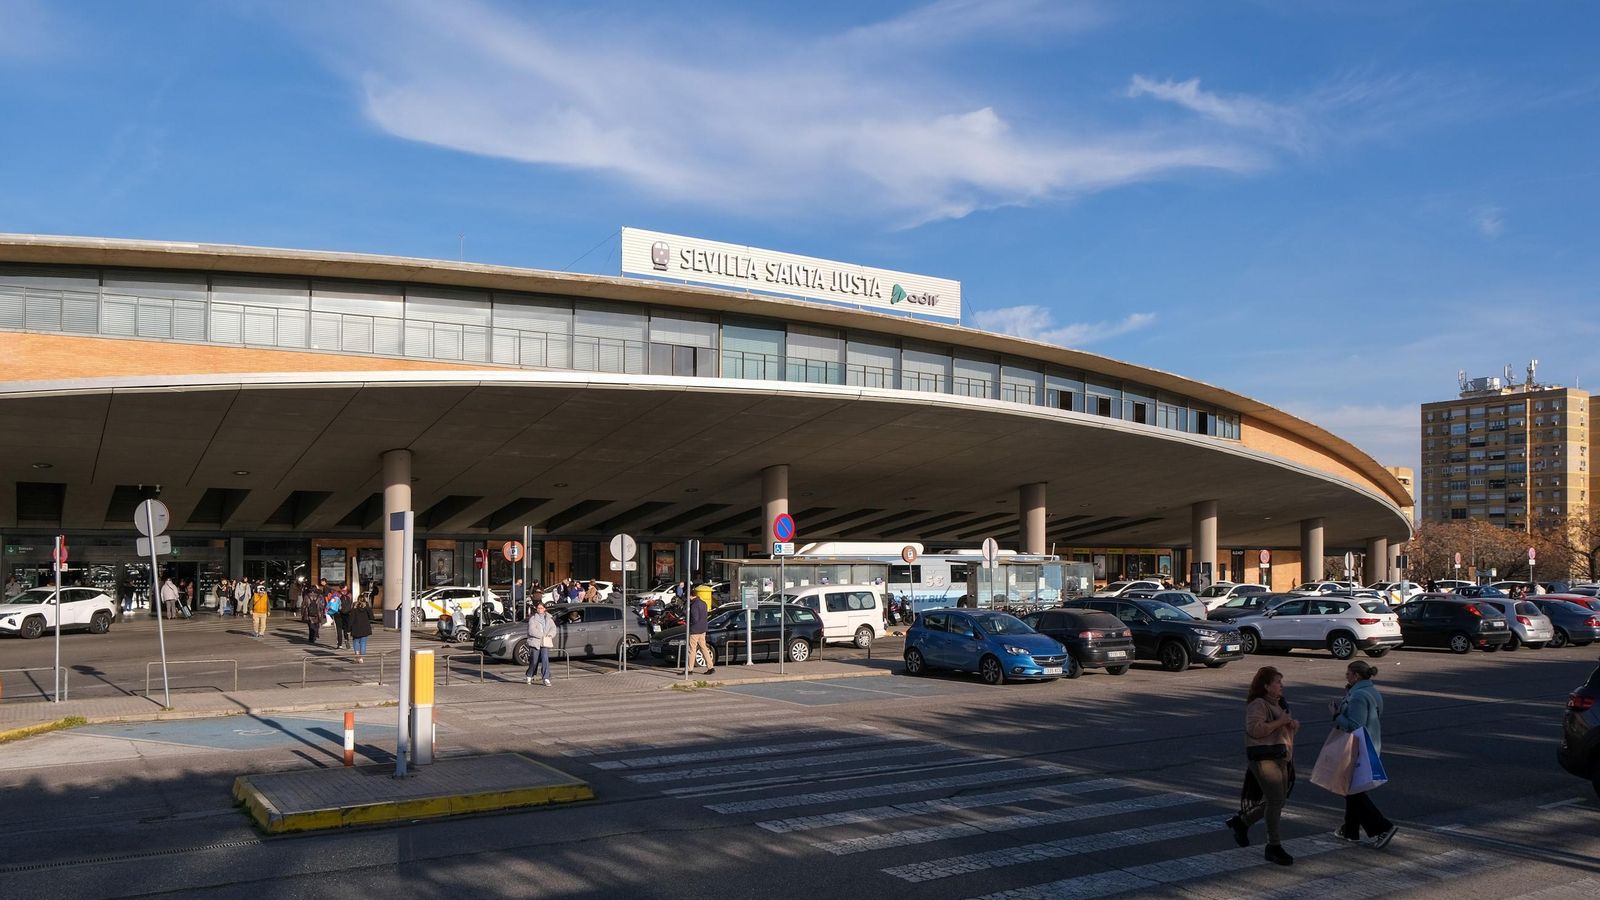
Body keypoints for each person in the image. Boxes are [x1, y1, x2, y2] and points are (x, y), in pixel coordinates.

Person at [1226, 666, 1298, 866]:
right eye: (1277, 682)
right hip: (1265, 759)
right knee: (1275, 801)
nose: (1281, 685)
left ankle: (1241, 822)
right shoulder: (1258, 704)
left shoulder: (1279, 703)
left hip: (1281, 757)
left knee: (1277, 800)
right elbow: (1255, 730)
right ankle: (1273, 846)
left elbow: (1280, 731)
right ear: (1266, 686)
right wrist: (1280, 722)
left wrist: (1290, 725)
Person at [1330, 659, 1397, 848]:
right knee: (1352, 790)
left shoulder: (1358, 696)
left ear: (1356, 676)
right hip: (1371, 745)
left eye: (1348, 674)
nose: (1346, 676)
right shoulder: (1372, 691)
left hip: (1357, 748)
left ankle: (1382, 827)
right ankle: (1350, 831)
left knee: (1352, 791)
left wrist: (1336, 715)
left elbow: (1355, 726)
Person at [525, 601, 557, 686]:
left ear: (544, 609)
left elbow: (553, 628)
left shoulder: (549, 618)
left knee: (545, 660)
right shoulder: (533, 619)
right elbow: (531, 630)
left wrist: (550, 635)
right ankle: (529, 675)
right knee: (534, 661)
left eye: (541, 608)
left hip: (545, 642)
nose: (540, 610)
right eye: (538, 608)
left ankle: (546, 678)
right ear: (536, 609)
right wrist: (542, 635)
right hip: (535, 642)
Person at [686, 589, 713, 676]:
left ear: (691, 595)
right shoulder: (703, 603)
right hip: (703, 629)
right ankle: (710, 667)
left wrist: (689, 623)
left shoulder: (694, 605)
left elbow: (695, 618)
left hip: (695, 630)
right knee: (703, 648)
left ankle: (689, 669)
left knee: (692, 649)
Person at [349, 594, 372, 663]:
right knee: (363, 643)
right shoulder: (367, 607)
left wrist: (348, 629)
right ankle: (361, 658)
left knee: (356, 642)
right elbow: (372, 617)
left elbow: (351, 619)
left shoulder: (354, 608)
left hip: (356, 628)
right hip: (365, 628)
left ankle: (357, 656)